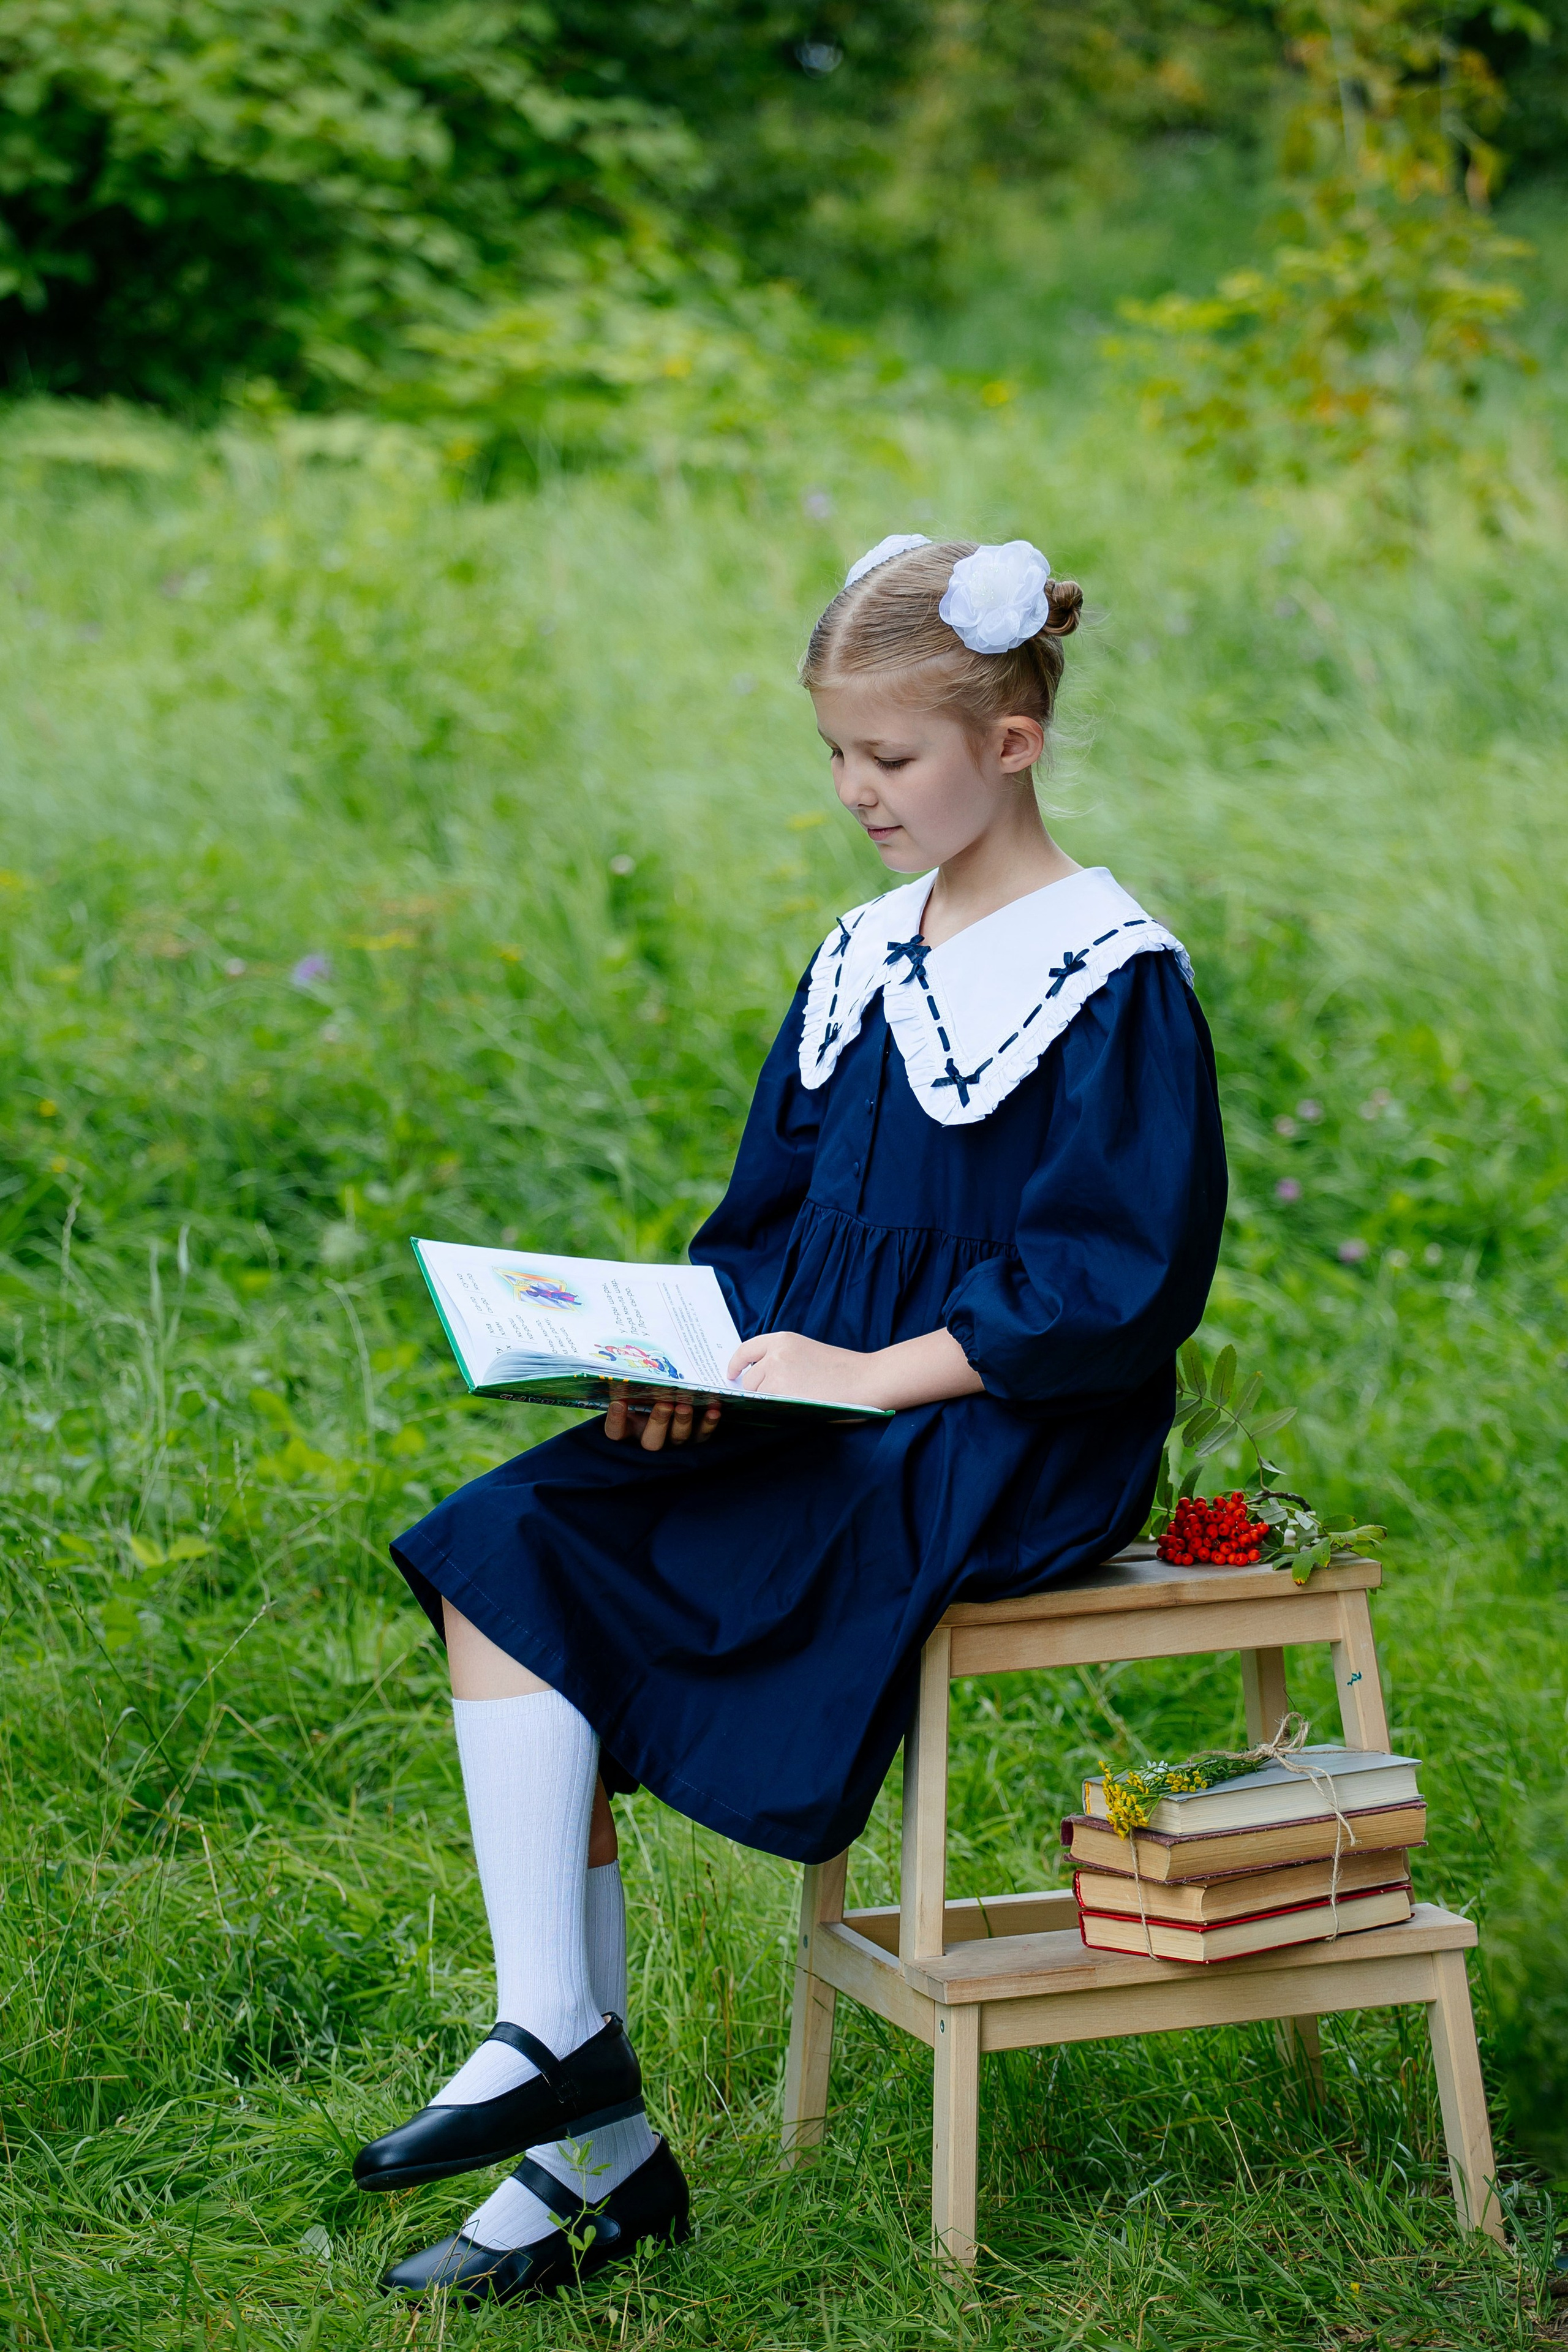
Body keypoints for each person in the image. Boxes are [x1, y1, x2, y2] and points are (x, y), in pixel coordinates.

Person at [358, 535, 1229, 2306]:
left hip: (997, 1423)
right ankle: (570, 2082)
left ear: (1010, 742)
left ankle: (570, 2136)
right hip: (817, 1392)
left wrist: (864, 1375)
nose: (856, 793)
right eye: (834, 755)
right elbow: (769, 1228)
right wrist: (692, 1359)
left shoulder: (1109, 973)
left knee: (658, 1562)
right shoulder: (860, 959)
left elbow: (1114, 1279)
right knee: (512, 1541)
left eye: (890, 759)